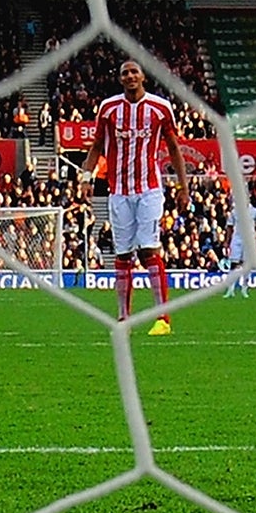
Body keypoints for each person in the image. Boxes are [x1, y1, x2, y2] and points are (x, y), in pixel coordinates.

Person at [82, 58, 189, 335]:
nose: (130, 76)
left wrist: (183, 186)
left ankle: (162, 318)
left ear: (143, 77)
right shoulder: (108, 108)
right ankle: (123, 318)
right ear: (120, 79)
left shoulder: (160, 108)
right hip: (118, 192)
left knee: (148, 250)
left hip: (149, 190)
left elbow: (174, 148)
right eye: (124, 73)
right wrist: (85, 177)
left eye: (134, 72)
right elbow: (96, 146)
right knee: (123, 255)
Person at [222, 180, 256, 298]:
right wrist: (227, 242)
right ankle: (230, 289)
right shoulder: (234, 211)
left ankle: (244, 289)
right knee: (234, 264)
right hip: (237, 239)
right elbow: (229, 228)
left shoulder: (254, 211)